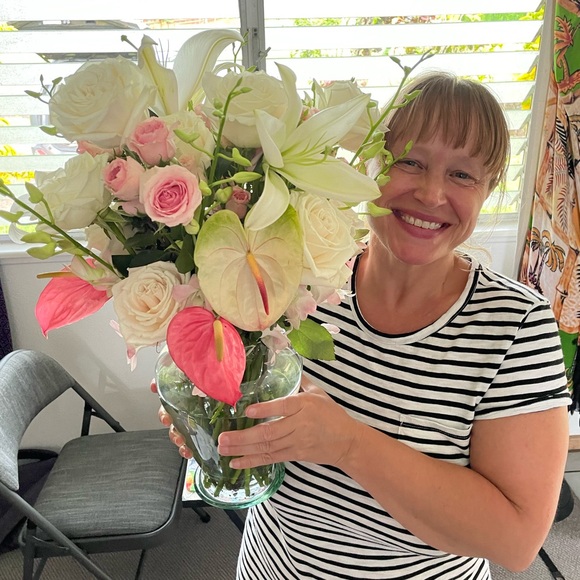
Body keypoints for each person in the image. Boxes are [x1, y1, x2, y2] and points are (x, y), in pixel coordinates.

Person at [159, 71, 571, 579]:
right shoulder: (299, 278)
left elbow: (514, 541)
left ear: (488, 189)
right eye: (409, 161)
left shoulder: (515, 326)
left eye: (462, 175)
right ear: (366, 164)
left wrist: (349, 444)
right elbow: (251, 409)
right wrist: (212, 421)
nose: (431, 193)